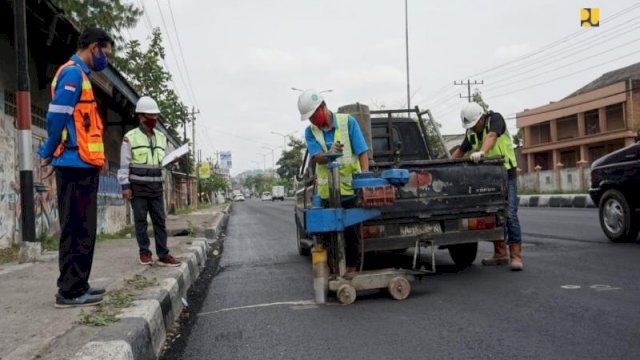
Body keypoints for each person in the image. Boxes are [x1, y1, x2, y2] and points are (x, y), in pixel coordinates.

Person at [37, 28, 113, 308]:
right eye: (105, 53)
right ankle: (68, 291)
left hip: (83, 164)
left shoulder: (82, 76)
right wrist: (47, 152)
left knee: (85, 230)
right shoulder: (71, 74)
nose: (105, 59)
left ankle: (80, 284)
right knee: (75, 228)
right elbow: (56, 119)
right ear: (94, 47)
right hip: (72, 164)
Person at [297, 89, 369, 273]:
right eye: (310, 118)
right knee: (328, 235)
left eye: (314, 116)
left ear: (323, 107)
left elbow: (362, 152)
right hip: (327, 192)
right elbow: (317, 157)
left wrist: (364, 181)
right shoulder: (310, 131)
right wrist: (328, 154)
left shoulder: (348, 122)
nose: (313, 121)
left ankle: (351, 272)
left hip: (350, 191)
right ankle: (332, 272)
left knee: (351, 235)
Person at [451, 102, 523, 271]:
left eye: (475, 124)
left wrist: (482, 152)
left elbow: (491, 137)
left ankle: (516, 255)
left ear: (482, 118)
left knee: (510, 214)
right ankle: (500, 253)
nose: (473, 128)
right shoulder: (471, 133)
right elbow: (460, 152)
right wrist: (443, 166)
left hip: (506, 174)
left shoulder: (495, 120)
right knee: (491, 213)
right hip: (488, 179)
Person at [117, 96, 181, 267]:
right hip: (137, 188)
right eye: (150, 115)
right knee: (140, 222)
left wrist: (174, 159)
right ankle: (144, 253)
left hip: (156, 187)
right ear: (141, 116)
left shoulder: (161, 137)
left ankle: (163, 254)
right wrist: (125, 186)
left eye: (156, 115)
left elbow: (165, 162)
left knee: (160, 221)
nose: (154, 119)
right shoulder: (130, 137)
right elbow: (124, 165)